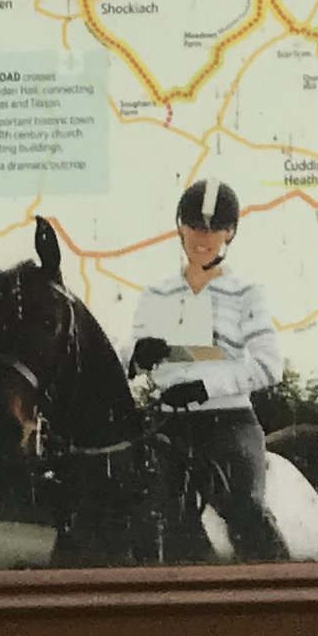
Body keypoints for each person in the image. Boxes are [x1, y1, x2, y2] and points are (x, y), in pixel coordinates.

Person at [127, 177, 287, 558]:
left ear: (230, 233)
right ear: (179, 226)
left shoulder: (247, 293)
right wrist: (136, 353)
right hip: (168, 426)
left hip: (229, 423)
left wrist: (205, 387)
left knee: (246, 505)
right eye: (195, 226)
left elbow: (269, 365)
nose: (204, 237)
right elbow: (125, 354)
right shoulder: (156, 293)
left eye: (216, 228)